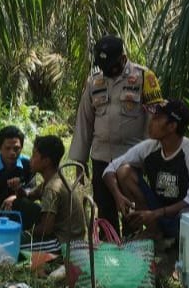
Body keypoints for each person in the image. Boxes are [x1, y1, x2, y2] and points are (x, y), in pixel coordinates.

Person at [68, 35, 163, 233]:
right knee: (105, 211)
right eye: (102, 66)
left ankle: (132, 250)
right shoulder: (94, 82)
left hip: (130, 159)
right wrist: (79, 161)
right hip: (101, 157)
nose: (106, 70)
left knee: (132, 210)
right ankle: (108, 254)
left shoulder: (144, 78)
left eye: (110, 65)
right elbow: (84, 122)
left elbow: (155, 120)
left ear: (123, 58)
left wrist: (151, 157)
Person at [104, 99, 189, 241]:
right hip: (156, 211)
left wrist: (156, 213)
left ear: (172, 126)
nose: (151, 122)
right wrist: (118, 196)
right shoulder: (149, 147)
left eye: (157, 118)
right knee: (124, 171)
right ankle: (154, 232)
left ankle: (178, 241)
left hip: (183, 217)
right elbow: (110, 169)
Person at [4, 135, 88, 254]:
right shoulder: (51, 180)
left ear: (46, 161)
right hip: (63, 237)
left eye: (34, 155)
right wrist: (18, 188)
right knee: (20, 203)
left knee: (10, 244)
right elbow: (27, 198)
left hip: (64, 243)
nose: (31, 159)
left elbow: (46, 229)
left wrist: (23, 232)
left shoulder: (52, 188)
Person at [0, 125, 33, 207]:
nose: (12, 153)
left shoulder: (28, 164)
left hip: (18, 210)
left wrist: (16, 197)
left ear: (22, 148)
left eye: (16, 148)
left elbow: (32, 190)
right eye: (7, 148)